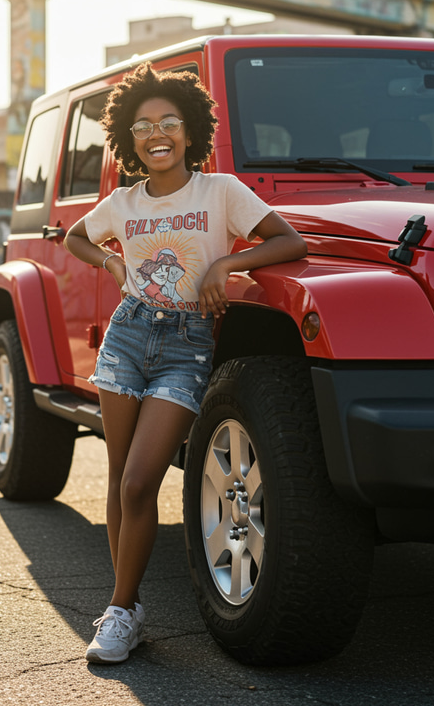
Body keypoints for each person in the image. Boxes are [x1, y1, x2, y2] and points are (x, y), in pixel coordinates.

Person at [63, 62, 307, 664]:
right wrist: (113, 265)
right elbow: (74, 236)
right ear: (129, 138)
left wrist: (226, 267)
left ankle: (121, 611)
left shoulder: (220, 192)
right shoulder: (122, 202)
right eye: (144, 124)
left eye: (170, 120)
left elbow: (289, 242)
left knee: (143, 479)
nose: (157, 132)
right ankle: (125, 611)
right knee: (122, 479)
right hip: (127, 334)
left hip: (187, 344)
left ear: (191, 131)